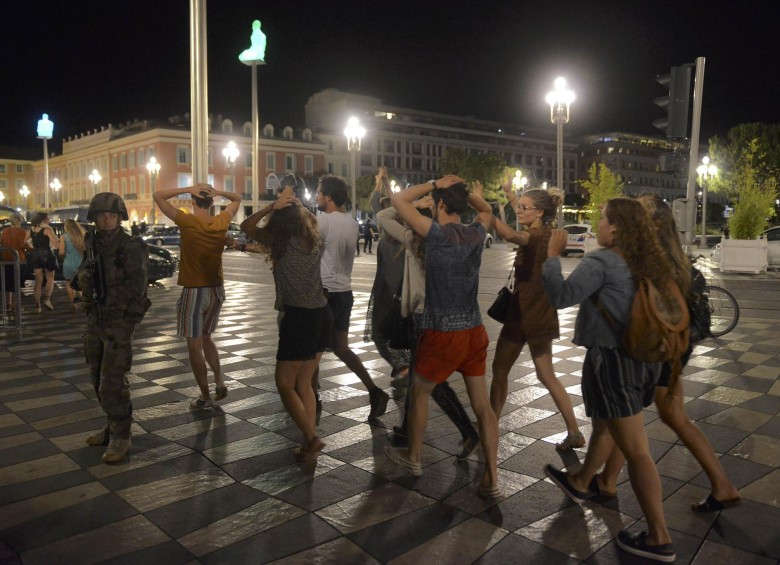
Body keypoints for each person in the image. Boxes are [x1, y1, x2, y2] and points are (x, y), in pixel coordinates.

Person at [542, 197, 683, 562]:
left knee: (636, 451)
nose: (598, 225)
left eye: (602, 219)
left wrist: (552, 256)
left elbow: (560, 296)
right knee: (608, 424)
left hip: (613, 362)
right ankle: (582, 482)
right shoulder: (648, 260)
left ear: (616, 228)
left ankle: (659, 537)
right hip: (644, 360)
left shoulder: (602, 260)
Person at [595, 195, 740, 512]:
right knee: (664, 414)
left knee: (644, 414)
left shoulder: (651, 260)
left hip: (659, 348)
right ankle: (607, 479)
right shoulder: (676, 258)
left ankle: (719, 486)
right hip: (677, 346)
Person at [384, 175, 500, 499]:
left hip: (441, 332)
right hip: (474, 332)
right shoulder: (477, 233)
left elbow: (398, 200)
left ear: (441, 205)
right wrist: (466, 193)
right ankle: (492, 476)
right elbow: (487, 208)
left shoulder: (435, 234)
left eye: (436, 204)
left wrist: (436, 183)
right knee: (482, 406)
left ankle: (415, 457)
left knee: (420, 393)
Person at [377, 194, 480, 459]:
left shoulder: (414, 239)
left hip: (420, 317)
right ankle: (407, 431)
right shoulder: (446, 239)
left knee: (428, 380)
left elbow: (383, 216)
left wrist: (413, 205)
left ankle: (465, 431)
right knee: (418, 377)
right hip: (447, 316)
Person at [238, 186, 332, 461]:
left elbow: (245, 225)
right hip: (321, 314)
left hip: (299, 317)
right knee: (305, 384)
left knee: (284, 383)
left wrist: (272, 206)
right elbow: (309, 217)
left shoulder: (278, 239)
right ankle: (307, 443)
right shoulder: (312, 237)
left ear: (279, 219)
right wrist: (296, 205)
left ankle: (313, 439)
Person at [490, 181, 585, 450]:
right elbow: (521, 224)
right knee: (547, 374)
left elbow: (513, 236)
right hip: (542, 314)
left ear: (539, 212)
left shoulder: (534, 237)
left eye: (523, 208)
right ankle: (574, 431)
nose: (519, 211)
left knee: (499, 369)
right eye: (518, 207)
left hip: (523, 314)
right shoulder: (546, 232)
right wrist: (510, 194)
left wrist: (487, 214)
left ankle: (490, 424)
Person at [154, 183, 241, 409]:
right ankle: (219, 381)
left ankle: (205, 397)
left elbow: (159, 195)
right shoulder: (221, 220)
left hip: (194, 290)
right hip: (216, 290)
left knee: (194, 345)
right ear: (212, 203)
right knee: (206, 337)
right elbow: (237, 199)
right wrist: (220, 192)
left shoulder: (187, 221)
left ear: (193, 201)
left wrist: (188, 188)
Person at [78, 193, 150, 463]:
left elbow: (139, 284)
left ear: (120, 217)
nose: (106, 220)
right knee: (97, 377)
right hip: (96, 317)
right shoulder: (92, 243)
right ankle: (112, 425)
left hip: (118, 321)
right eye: (101, 215)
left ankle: (122, 435)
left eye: (111, 215)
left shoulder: (131, 246)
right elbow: (87, 272)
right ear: (94, 218)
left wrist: (128, 318)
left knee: (113, 379)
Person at [314, 175, 390, 420]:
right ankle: (374, 390)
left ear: (329, 197)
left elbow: (309, 253)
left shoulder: (323, 221)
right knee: (341, 348)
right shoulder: (350, 222)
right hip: (344, 292)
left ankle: (310, 397)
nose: (316, 197)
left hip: (325, 293)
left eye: (319, 193)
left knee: (312, 350)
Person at [364, 167, 410, 385]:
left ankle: (401, 367)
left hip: (390, 291)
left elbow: (379, 203)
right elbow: (378, 203)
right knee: (399, 331)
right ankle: (405, 368)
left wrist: (381, 182)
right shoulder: (404, 233)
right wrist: (384, 182)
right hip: (399, 290)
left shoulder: (397, 233)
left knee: (379, 333)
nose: (383, 208)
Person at [26, 211, 59, 313]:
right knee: (50, 279)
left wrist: (32, 248)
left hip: (36, 255)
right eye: (48, 218)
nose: (49, 220)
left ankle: (37, 305)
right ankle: (47, 300)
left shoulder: (31, 229)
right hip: (47, 255)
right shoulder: (47, 229)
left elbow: (24, 242)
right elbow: (56, 244)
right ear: (43, 219)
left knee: (38, 280)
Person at [1, 213, 29, 314]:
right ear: (19, 220)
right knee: (17, 283)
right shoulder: (22, 232)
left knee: (7, 282)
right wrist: (29, 249)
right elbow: (23, 245)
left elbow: (2, 243)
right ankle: (14, 305)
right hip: (18, 260)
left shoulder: (4, 231)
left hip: (6, 259)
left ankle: (7, 303)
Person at [59, 219, 86, 311]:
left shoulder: (64, 237)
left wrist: (65, 255)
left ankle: (73, 304)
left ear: (66, 227)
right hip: (81, 261)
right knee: (83, 283)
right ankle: (84, 303)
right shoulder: (83, 235)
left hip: (69, 262)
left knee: (69, 283)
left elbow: (61, 252)